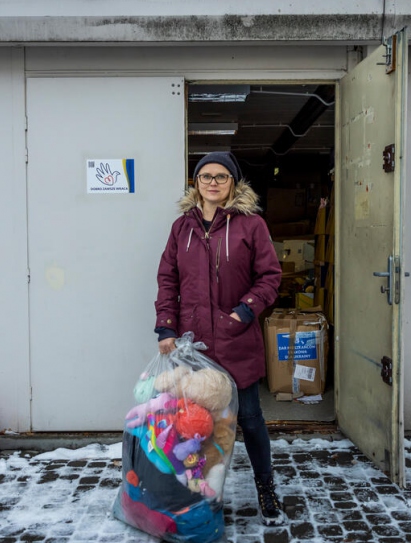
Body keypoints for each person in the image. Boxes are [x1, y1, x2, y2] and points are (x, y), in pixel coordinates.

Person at [154, 151, 286, 526]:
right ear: (196, 183)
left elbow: (270, 277)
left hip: (236, 338)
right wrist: (166, 325)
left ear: (233, 182)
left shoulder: (252, 226)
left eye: (221, 176)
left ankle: (266, 486)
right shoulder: (182, 227)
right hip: (193, 345)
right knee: (196, 423)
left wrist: (244, 311)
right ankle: (199, 490)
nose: (213, 182)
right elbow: (168, 278)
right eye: (205, 176)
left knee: (250, 418)